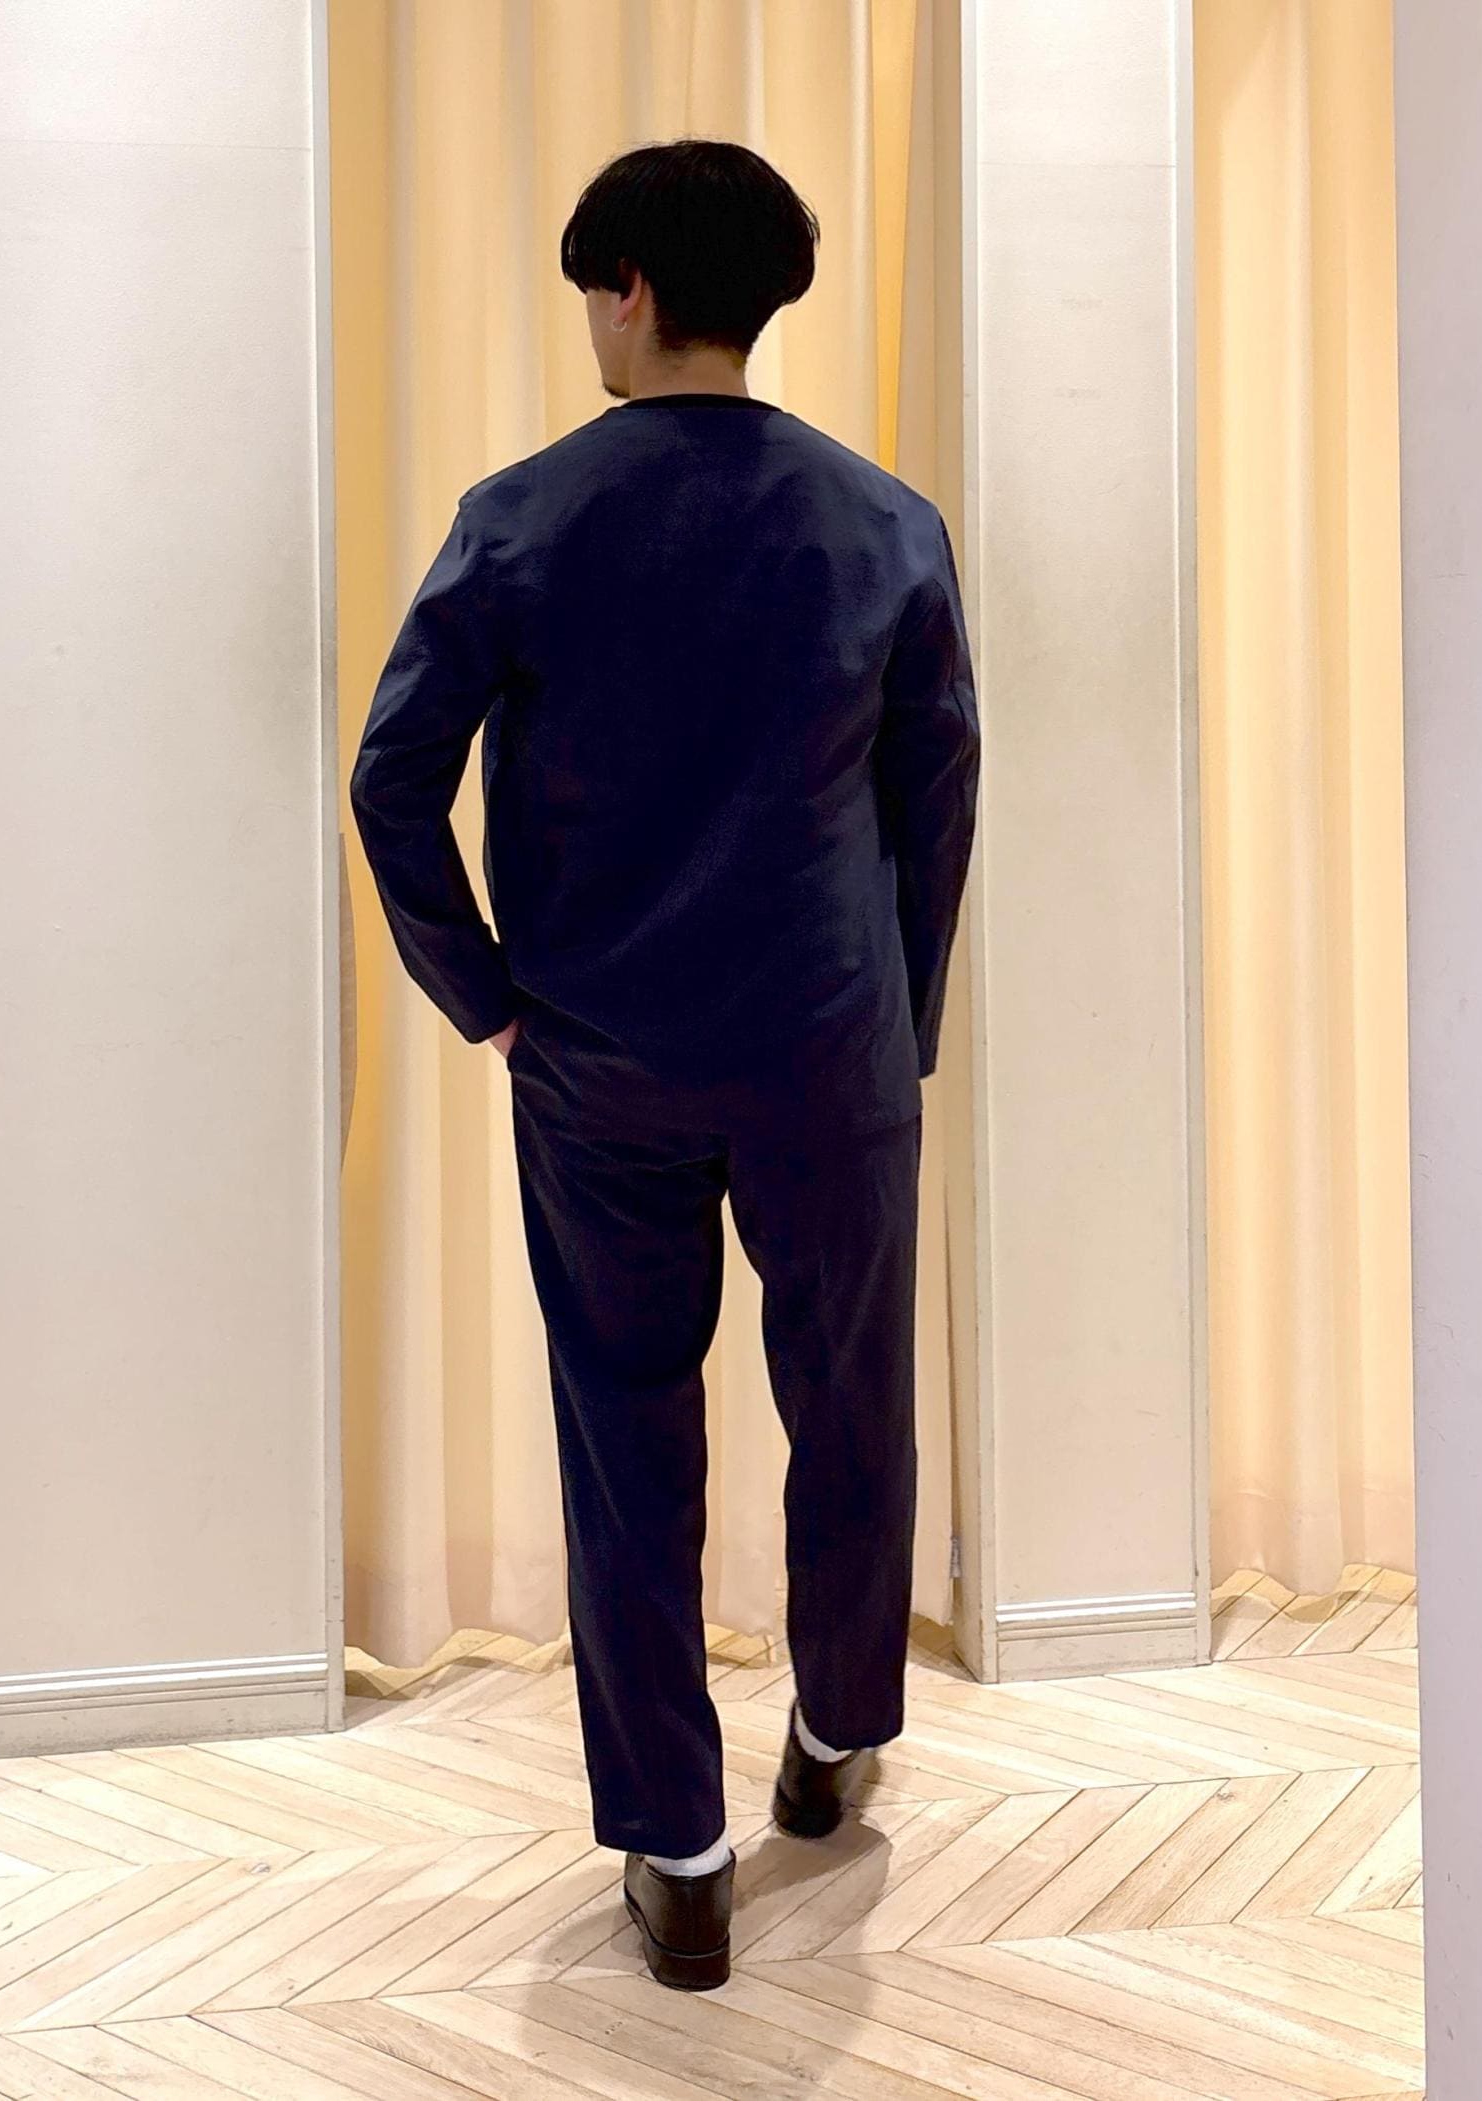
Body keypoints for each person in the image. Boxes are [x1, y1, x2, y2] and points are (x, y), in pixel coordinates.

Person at [349, 136, 980, 1992]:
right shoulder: (885, 522)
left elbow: (393, 782)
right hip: (830, 1051)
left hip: (600, 1060)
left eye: (589, 296)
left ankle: (680, 1851)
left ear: (628, 292)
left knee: (626, 1433)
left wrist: (486, 995)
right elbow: (936, 795)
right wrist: (900, 1015)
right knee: (851, 1398)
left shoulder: (522, 517)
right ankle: (836, 1730)